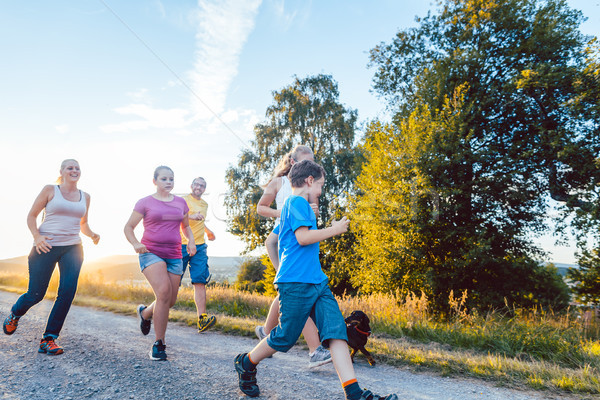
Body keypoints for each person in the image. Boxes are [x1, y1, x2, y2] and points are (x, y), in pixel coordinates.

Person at [234, 160, 398, 400]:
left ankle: (354, 393)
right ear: (310, 181)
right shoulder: (296, 202)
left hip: (317, 281)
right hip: (296, 283)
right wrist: (336, 229)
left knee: (337, 332)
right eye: (320, 184)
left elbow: (282, 238)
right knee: (285, 337)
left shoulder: (298, 207)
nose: (321, 190)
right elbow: (302, 238)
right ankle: (246, 363)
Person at [3, 159, 100, 355]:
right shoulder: (50, 190)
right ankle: (15, 314)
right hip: (45, 246)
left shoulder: (85, 196)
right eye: (70, 167)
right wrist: (37, 237)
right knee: (36, 294)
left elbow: (83, 223)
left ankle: (49, 339)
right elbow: (31, 216)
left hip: (73, 247)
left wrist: (91, 234)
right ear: (62, 171)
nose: (74, 170)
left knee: (67, 292)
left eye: (77, 168)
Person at [254, 145, 331, 368]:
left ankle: (266, 332)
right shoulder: (279, 183)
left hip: (301, 235)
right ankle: (314, 349)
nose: (310, 166)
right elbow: (261, 208)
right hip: (287, 235)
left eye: (313, 161)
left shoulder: (309, 182)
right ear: (292, 161)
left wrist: (312, 213)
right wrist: (286, 211)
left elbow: (310, 213)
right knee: (297, 291)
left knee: (291, 291)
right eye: (304, 161)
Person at [124, 166, 196, 361]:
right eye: (164, 179)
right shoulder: (145, 202)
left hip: (174, 255)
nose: (168, 182)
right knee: (163, 293)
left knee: (169, 301)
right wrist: (136, 243)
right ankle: (159, 344)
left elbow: (186, 227)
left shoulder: (181, 203)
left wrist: (190, 240)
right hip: (150, 252)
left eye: (171, 179)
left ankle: (146, 313)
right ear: (154, 181)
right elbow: (129, 227)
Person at [180, 177, 217, 332]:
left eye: (202, 186)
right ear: (191, 186)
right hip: (181, 244)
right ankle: (151, 311)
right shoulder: (182, 200)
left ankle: (202, 319)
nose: (199, 187)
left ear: (204, 189)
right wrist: (191, 216)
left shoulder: (205, 204)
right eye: (197, 184)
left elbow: (200, 222)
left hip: (200, 246)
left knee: (200, 281)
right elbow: (174, 218)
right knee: (172, 284)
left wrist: (208, 231)